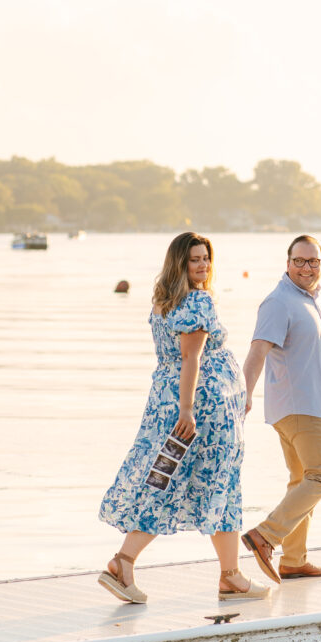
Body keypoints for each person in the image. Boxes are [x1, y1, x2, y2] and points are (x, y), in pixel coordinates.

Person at [98, 232, 269, 603]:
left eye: (206, 258)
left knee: (167, 480)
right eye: (195, 259)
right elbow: (191, 358)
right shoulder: (198, 302)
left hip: (169, 404)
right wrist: (188, 409)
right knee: (213, 482)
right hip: (202, 413)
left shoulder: (165, 302)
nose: (203, 265)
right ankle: (128, 562)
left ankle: (226, 574)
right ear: (180, 263)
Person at [241, 235, 321, 583]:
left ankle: (293, 559)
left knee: (302, 480)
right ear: (287, 263)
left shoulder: (312, 300)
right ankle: (266, 536)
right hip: (302, 407)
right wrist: (244, 394)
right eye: (299, 261)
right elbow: (258, 351)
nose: (306, 268)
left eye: (313, 261)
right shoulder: (280, 302)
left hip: (308, 404)